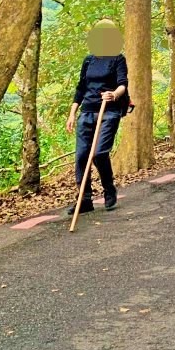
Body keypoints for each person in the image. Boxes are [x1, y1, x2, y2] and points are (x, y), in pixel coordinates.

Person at [66, 20, 130, 214]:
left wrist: (114, 94)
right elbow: (81, 87)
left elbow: (123, 84)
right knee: (81, 157)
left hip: (108, 111)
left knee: (99, 153)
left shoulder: (118, 59)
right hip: (86, 111)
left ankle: (109, 189)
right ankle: (84, 200)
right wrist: (72, 113)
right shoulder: (89, 60)